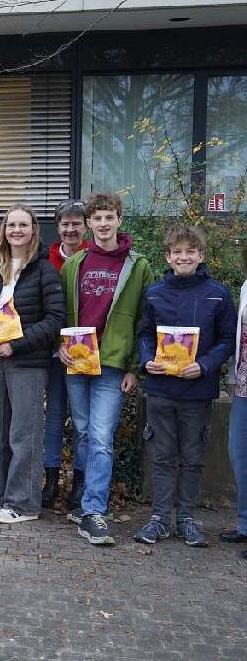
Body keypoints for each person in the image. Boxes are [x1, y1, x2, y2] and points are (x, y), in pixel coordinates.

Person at [58, 192, 153, 545]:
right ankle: (84, 503)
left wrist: (134, 368)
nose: (102, 224)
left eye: (108, 217)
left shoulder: (138, 265)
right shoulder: (74, 264)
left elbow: (146, 320)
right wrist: (60, 346)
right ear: (88, 224)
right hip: (78, 361)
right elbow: (61, 315)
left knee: (100, 436)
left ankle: (94, 510)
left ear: (119, 220)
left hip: (113, 364)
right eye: (96, 218)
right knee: (83, 432)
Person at [133, 225, 236, 547]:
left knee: (192, 457)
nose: (184, 257)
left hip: (197, 391)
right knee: (162, 457)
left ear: (201, 255)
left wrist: (204, 365)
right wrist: (147, 358)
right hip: (161, 389)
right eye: (177, 252)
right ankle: (160, 519)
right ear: (168, 257)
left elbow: (227, 340)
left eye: (190, 251)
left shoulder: (218, 293)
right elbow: (145, 333)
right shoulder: (154, 292)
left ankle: (187, 519)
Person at [0, 204, 64, 524]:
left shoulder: (44, 269)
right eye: (11, 225)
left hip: (27, 362)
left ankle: (23, 503)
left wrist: (17, 345)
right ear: (4, 230)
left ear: (34, 230)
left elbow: (55, 320)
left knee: (24, 433)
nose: (16, 231)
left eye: (23, 225)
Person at [44, 199, 88, 509]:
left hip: (87, 354)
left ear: (84, 227)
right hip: (53, 353)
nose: (70, 229)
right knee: (54, 417)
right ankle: (50, 480)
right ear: (58, 228)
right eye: (65, 224)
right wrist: (53, 344)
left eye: (76, 223)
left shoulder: (94, 258)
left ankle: (80, 483)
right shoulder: (46, 260)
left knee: (83, 421)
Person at [222, 253, 247, 557]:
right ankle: (244, 524)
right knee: (238, 454)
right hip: (243, 385)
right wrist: (231, 375)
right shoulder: (245, 286)